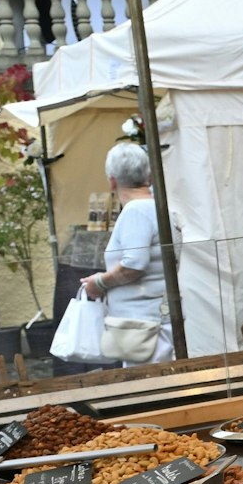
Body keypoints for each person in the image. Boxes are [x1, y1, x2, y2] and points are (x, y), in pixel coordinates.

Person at [79, 142, 175, 363]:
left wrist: (99, 283)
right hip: (153, 318)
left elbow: (134, 264)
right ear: (148, 176)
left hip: (141, 325)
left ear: (112, 180)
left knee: (147, 388)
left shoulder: (136, 211)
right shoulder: (158, 207)